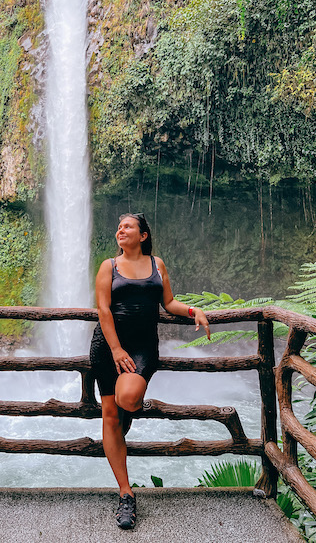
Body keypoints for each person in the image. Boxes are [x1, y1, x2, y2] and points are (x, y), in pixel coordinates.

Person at [89, 212, 211, 530]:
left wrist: (193, 310)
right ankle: (126, 494)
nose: (121, 230)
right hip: (108, 347)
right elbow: (103, 309)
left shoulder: (157, 265)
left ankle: (124, 418)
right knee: (110, 416)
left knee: (128, 399)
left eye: (128, 226)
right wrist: (115, 349)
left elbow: (168, 302)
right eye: (119, 226)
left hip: (142, 347)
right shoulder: (108, 267)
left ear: (143, 235)